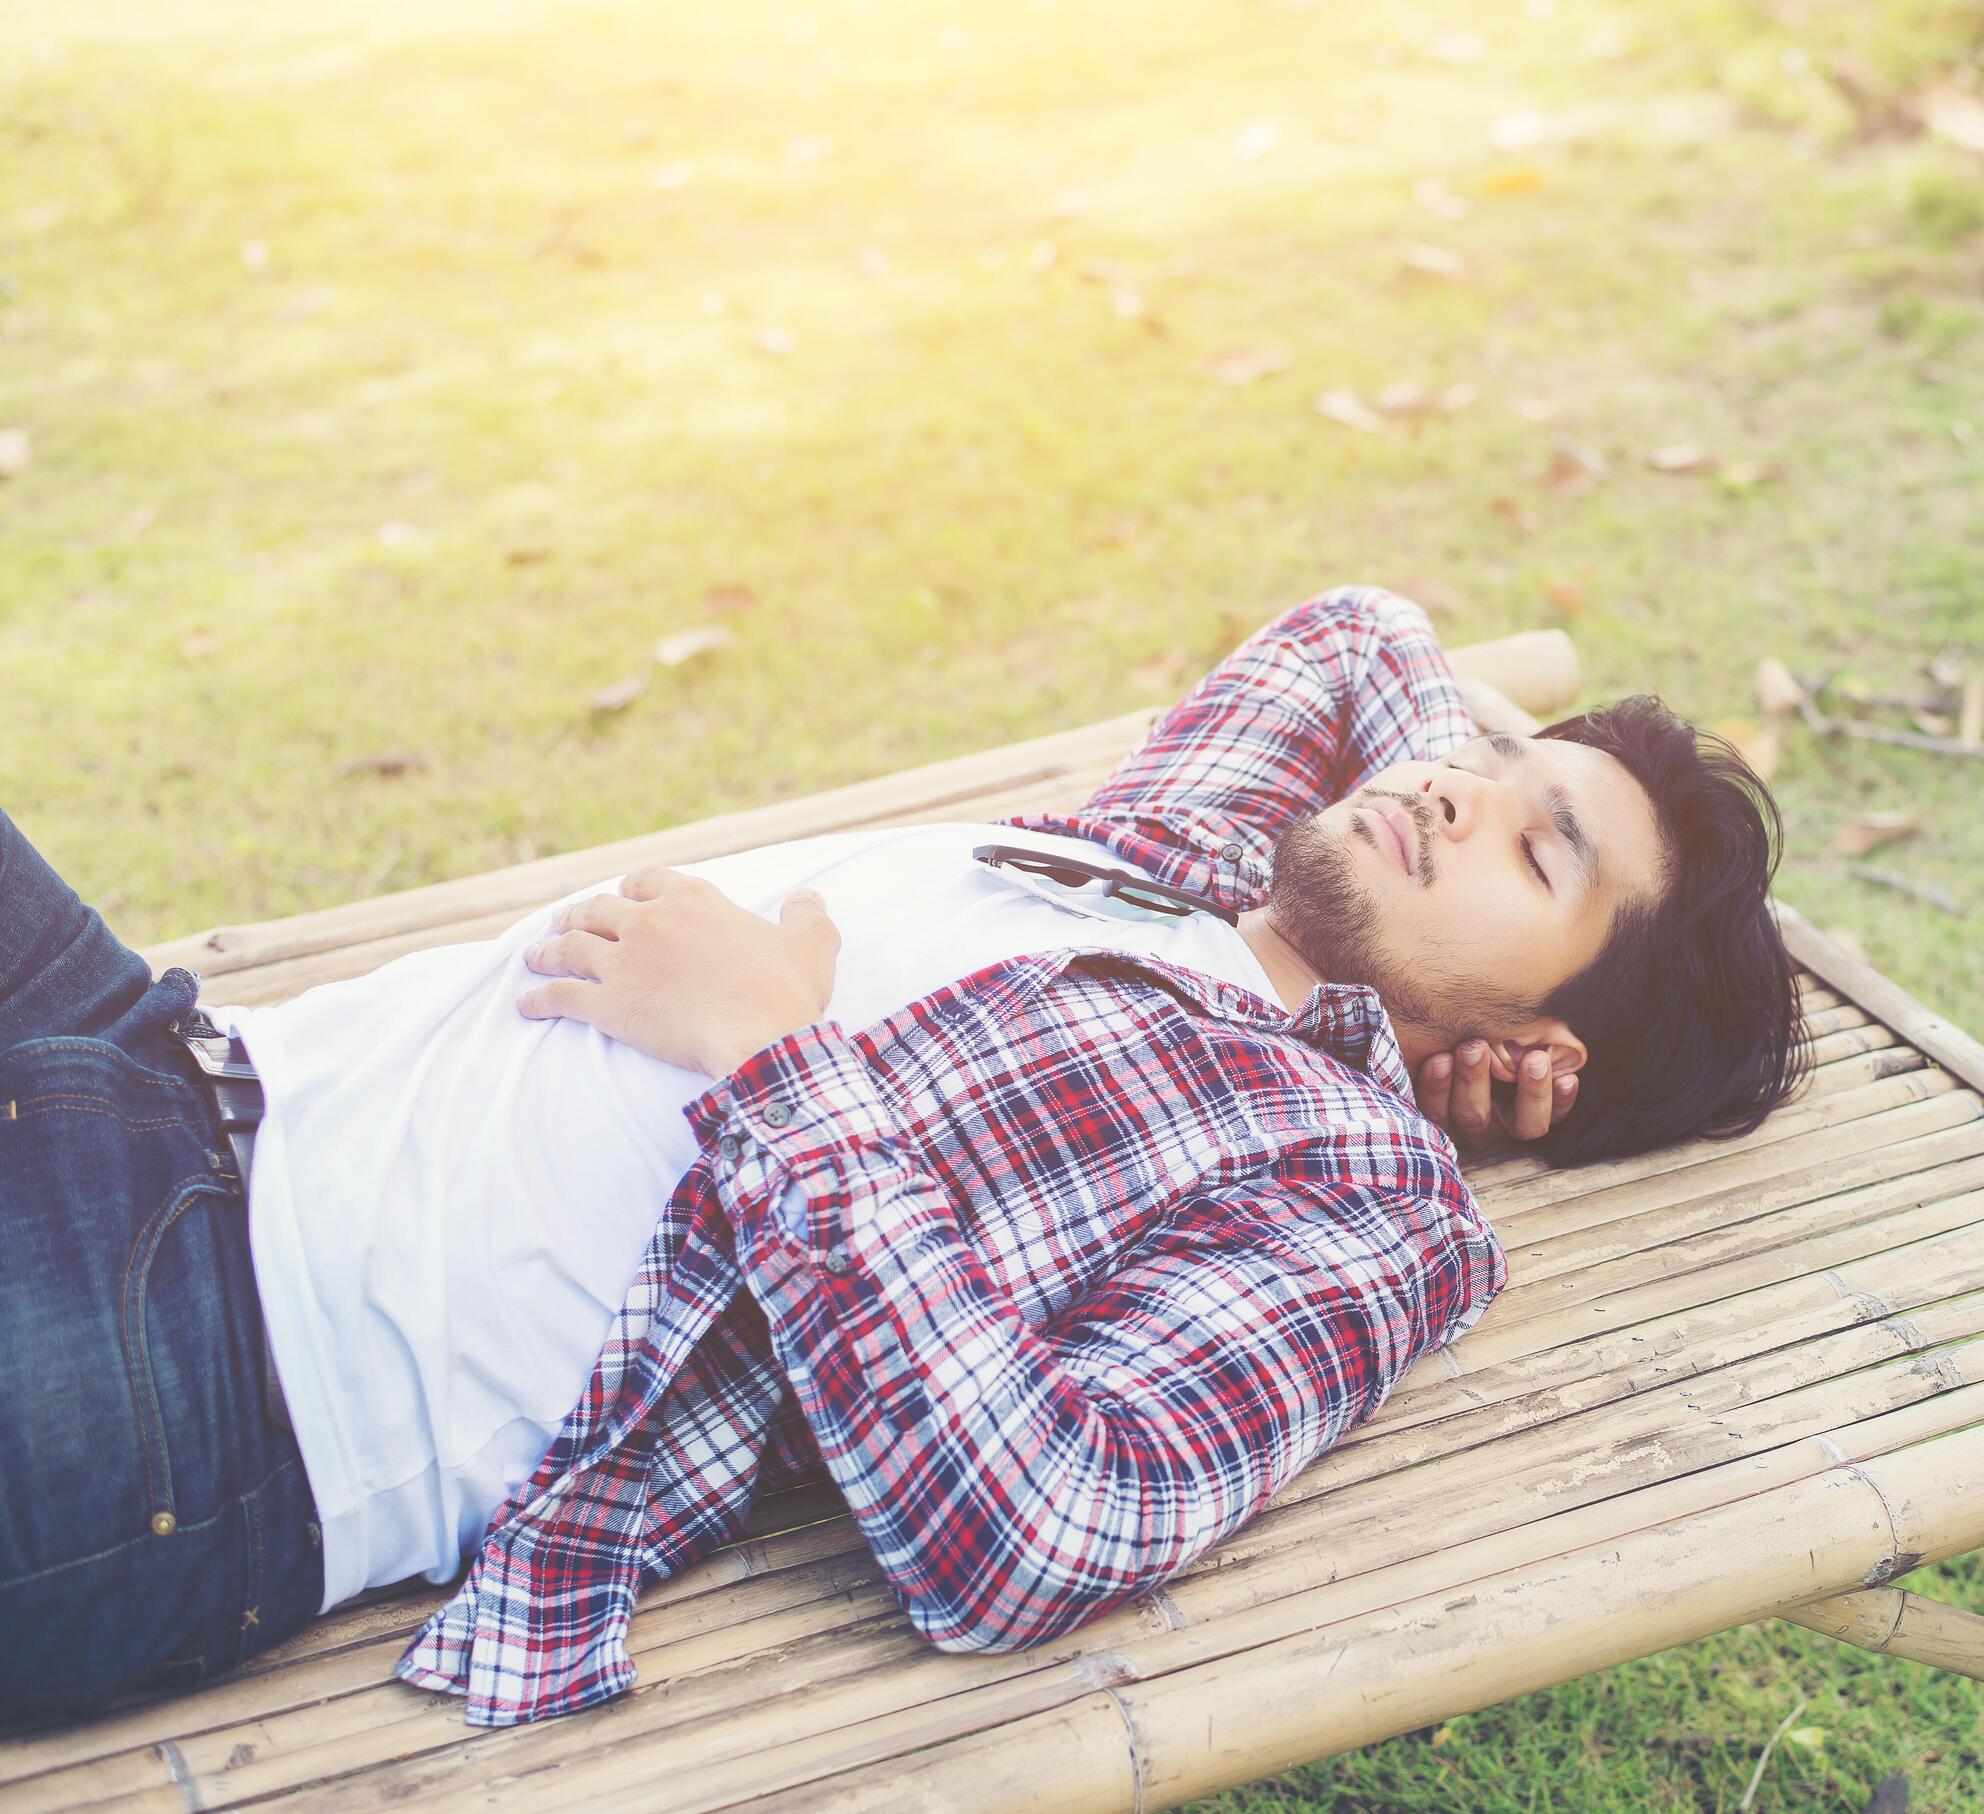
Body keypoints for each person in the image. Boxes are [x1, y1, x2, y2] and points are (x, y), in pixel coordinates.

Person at [0, 586, 1806, 1731]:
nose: (1450, 790)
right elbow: (1350, 628)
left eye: (1536, 849)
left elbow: (1049, 1524)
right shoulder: (1180, 848)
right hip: (157, 1068)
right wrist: (1480, 800)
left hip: (213, 1379)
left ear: (1542, 1051)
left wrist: (773, 1053)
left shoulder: (1357, 1192)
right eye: (1486, 767)